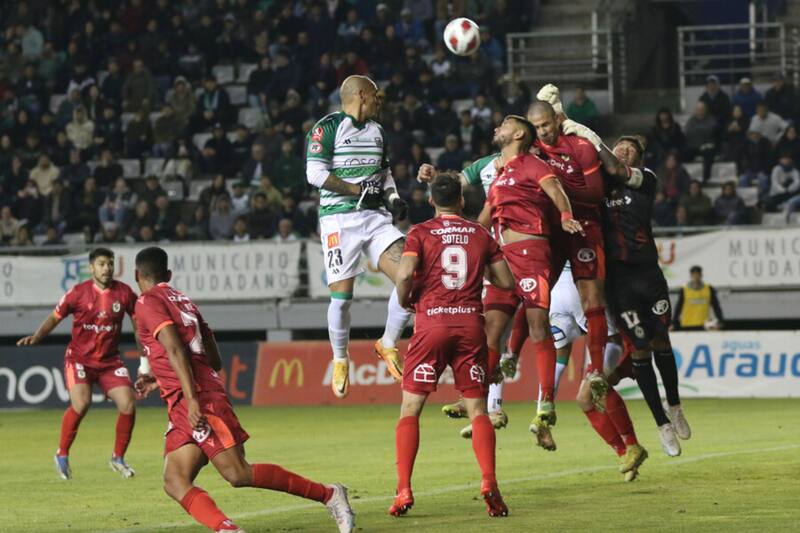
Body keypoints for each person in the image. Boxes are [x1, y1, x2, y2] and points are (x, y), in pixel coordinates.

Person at [131, 247, 355, 533]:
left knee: (238, 473)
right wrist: (161, 378)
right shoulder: (185, 302)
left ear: (137, 275)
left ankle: (330, 494)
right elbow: (214, 360)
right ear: (169, 274)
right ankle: (227, 529)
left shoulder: (146, 302)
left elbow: (175, 349)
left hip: (196, 399)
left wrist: (191, 398)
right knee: (175, 479)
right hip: (186, 399)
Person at [391, 173, 513, 518]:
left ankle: (403, 490)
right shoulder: (480, 233)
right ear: (462, 201)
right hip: (470, 327)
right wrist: (482, 274)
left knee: (410, 409)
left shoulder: (419, 232)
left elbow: (403, 275)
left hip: (431, 325)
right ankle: (489, 482)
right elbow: (505, 281)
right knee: (478, 410)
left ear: (431, 201)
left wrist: (406, 300)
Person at [304, 75, 410, 399]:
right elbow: (315, 174)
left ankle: (388, 343)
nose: (380, 102)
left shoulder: (378, 132)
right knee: (342, 297)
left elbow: (385, 173)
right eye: (376, 97)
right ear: (362, 96)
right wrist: (355, 189)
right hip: (339, 221)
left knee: (411, 276)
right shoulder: (328, 127)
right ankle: (340, 358)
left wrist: (393, 198)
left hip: (375, 218)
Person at [484, 115, 583, 450]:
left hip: (531, 251)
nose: (497, 127)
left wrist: (567, 216)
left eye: (503, 124)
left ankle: (545, 408)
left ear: (519, 133)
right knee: (490, 328)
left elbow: (555, 190)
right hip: (502, 255)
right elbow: (485, 216)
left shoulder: (532, 163)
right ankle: (479, 400)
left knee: (537, 325)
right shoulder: (500, 173)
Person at [16, 248, 139, 479]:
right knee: (82, 403)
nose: (107, 268)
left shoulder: (124, 293)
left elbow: (138, 323)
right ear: (91, 267)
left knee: (128, 404)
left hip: (110, 361)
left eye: (110, 264)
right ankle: (62, 453)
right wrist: (37, 337)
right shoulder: (78, 293)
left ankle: (118, 458)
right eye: (102, 264)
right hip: (80, 359)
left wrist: (145, 359)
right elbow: (55, 316)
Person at [602, 136, 691, 456]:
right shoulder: (600, 186)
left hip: (648, 275)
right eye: (619, 148)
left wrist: (589, 138)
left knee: (661, 340)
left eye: (630, 149)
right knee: (639, 348)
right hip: (619, 282)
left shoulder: (647, 180)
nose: (624, 151)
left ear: (639, 157)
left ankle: (675, 405)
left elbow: (618, 169)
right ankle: (662, 424)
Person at [528, 99, 612, 406]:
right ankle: (517, 373)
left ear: (556, 119)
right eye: (537, 127)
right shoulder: (530, 151)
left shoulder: (580, 147)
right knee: (530, 298)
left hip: (584, 227)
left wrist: (555, 186)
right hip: (549, 231)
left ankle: (598, 372)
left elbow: (595, 192)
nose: (543, 132)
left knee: (593, 301)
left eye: (546, 124)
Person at [546, 264, 647, 481]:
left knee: (592, 392)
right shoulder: (576, 279)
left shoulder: (595, 273)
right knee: (585, 399)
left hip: (618, 344)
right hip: (608, 344)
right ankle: (626, 454)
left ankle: (632, 446)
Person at [672, 265, 725, 331]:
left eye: (698, 274)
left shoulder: (708, 289)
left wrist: (720, 321)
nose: (696, 277)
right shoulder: (684, 290)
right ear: (691, 275)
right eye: (694, 274)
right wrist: (673, 323)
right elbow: (678, 308)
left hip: (704, 325)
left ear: (701, 275)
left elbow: (716, 306)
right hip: (687, 325)